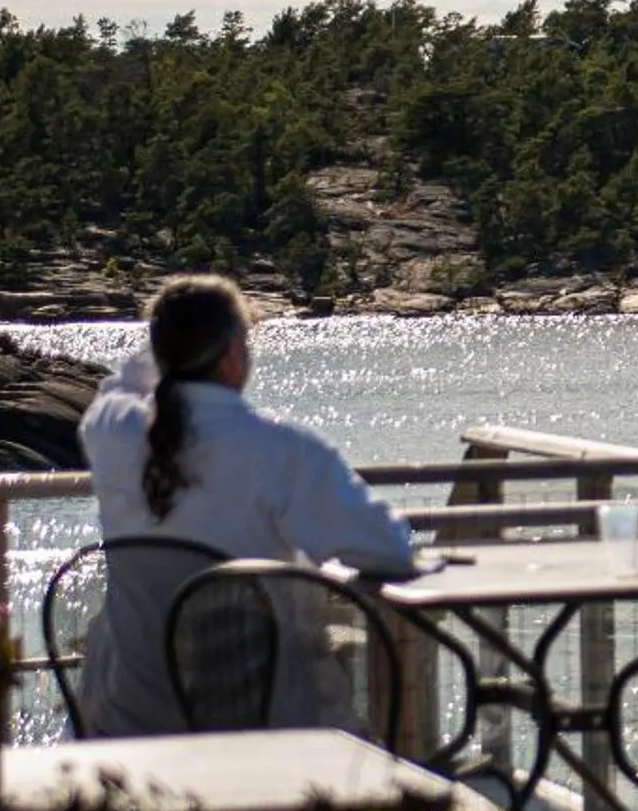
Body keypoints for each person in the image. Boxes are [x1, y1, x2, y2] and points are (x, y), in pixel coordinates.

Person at [75, 275, 417, 733]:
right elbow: (387, 547)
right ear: (234, 353)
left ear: (159, 352)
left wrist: (169, 341)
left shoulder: (112, 431)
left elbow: (119, 389)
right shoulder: (279, 450)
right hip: (257, 728)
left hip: (129, 723)